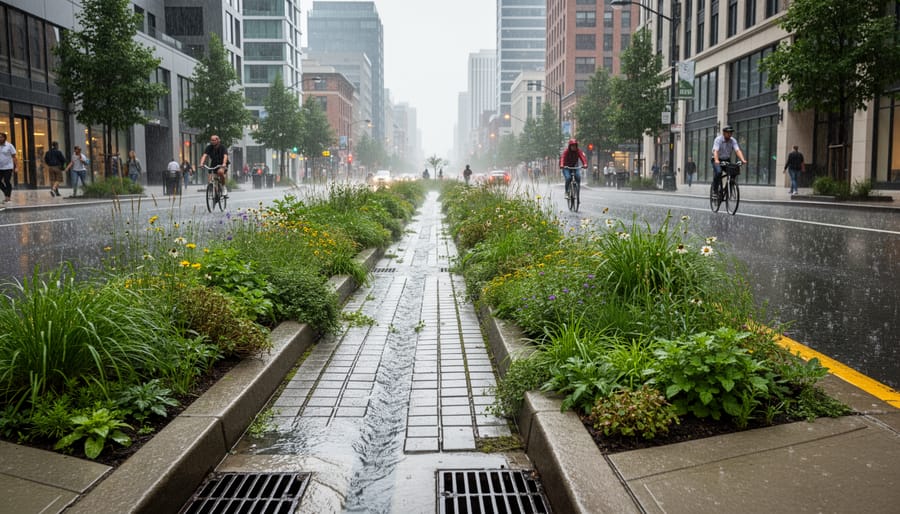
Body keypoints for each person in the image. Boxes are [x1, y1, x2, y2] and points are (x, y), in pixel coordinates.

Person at [711, 125, 747, 198]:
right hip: (716, 159)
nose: (730, 134)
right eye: (728, 132)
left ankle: (728, 188)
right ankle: (715, 190)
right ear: (724, 133)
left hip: (726, 160)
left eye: (731, 132)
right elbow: (716, 151)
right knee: (718, 172)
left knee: (733, 172)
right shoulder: (718, 139)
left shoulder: (733, 140)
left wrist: (742, 159)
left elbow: (737, 150)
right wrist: (717, 160)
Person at [0, 132, 17, 203]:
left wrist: (16, 167)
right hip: (0, 167)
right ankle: (6, 193)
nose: (0, 138)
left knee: (7, 181)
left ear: (4, 138)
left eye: (1, 137)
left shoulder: (9, 146)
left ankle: (8, 197)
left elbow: (14, 157)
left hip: (8, 167)